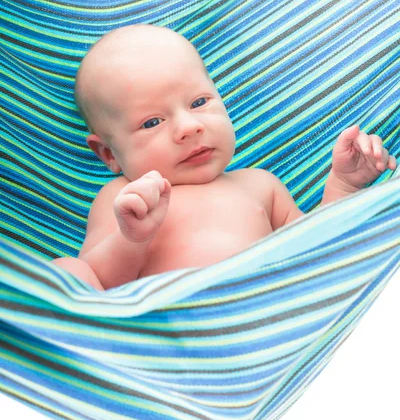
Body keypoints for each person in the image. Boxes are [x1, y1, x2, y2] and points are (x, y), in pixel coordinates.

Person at [52, 24, 397, 290]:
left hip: (264, 311)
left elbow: (314, 248)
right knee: (66, 271)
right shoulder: (125, 201)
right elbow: (99, 281)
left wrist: (343, 186)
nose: (189, 126)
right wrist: (132, 238)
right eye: (152, 122)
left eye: (199, 102)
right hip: (160, 336)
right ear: (109, 154)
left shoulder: (259, 184)